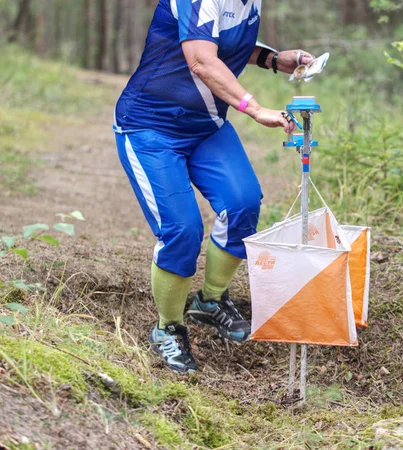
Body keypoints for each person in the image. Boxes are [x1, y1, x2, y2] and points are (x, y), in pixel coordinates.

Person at [113, 0, 314, 373]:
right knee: (182, 230)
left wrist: (272, 59)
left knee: (243, 202)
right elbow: (201, 58)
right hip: (149, 127)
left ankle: (210, 302)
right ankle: (168, 329)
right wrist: (255, 108)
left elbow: (224, 40)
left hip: (205, 126)